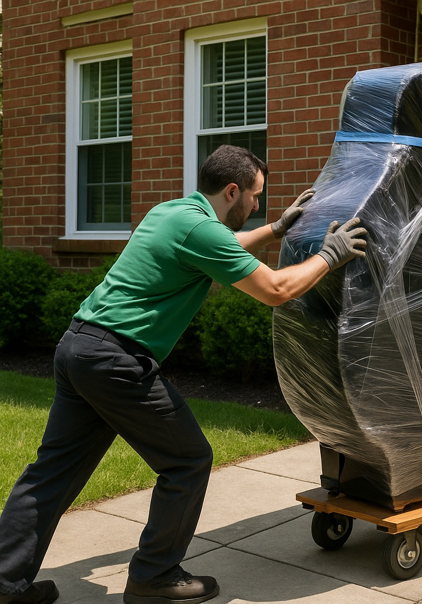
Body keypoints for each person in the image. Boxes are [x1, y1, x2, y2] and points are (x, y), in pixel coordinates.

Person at [0, 145, 367, 604]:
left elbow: (223, 247)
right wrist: (330, 255)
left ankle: (4, 582)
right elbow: (276, 290)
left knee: (50, 472)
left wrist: (274, 229)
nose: (257, 205)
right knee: (188, 460)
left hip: (78, 347)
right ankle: (154, 576)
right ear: (232, 190)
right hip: (116, 361)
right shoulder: (201, 230)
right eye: (256, 197)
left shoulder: (173, 213)